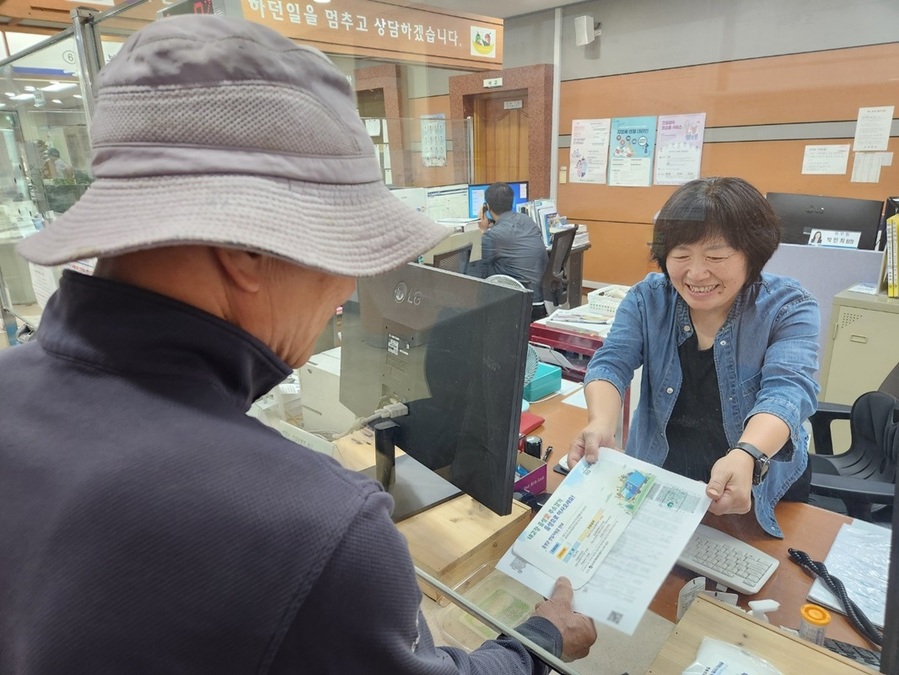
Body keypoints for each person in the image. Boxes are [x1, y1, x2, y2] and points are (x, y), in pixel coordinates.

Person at [0, 15, 596, 673]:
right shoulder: (311, 527)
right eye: (343, 246)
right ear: (246, 249)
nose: (349, 284)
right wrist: (532, 644)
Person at [568, 177, 820, 538]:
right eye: (681, 255)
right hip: (664, 476)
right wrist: (602, 424)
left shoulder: (788, 307)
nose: (696, 273)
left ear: (753, 255)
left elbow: (787, 392)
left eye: (716, 256)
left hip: (754, 484)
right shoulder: (648, 299)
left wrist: (747, 454)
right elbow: (612, 362)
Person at [467, 182, 549, 321]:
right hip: (540, 301)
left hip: (519, 305)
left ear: (487, 207)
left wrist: (482, 231)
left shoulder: (492, 236)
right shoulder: (527, 220)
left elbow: (473, 273)